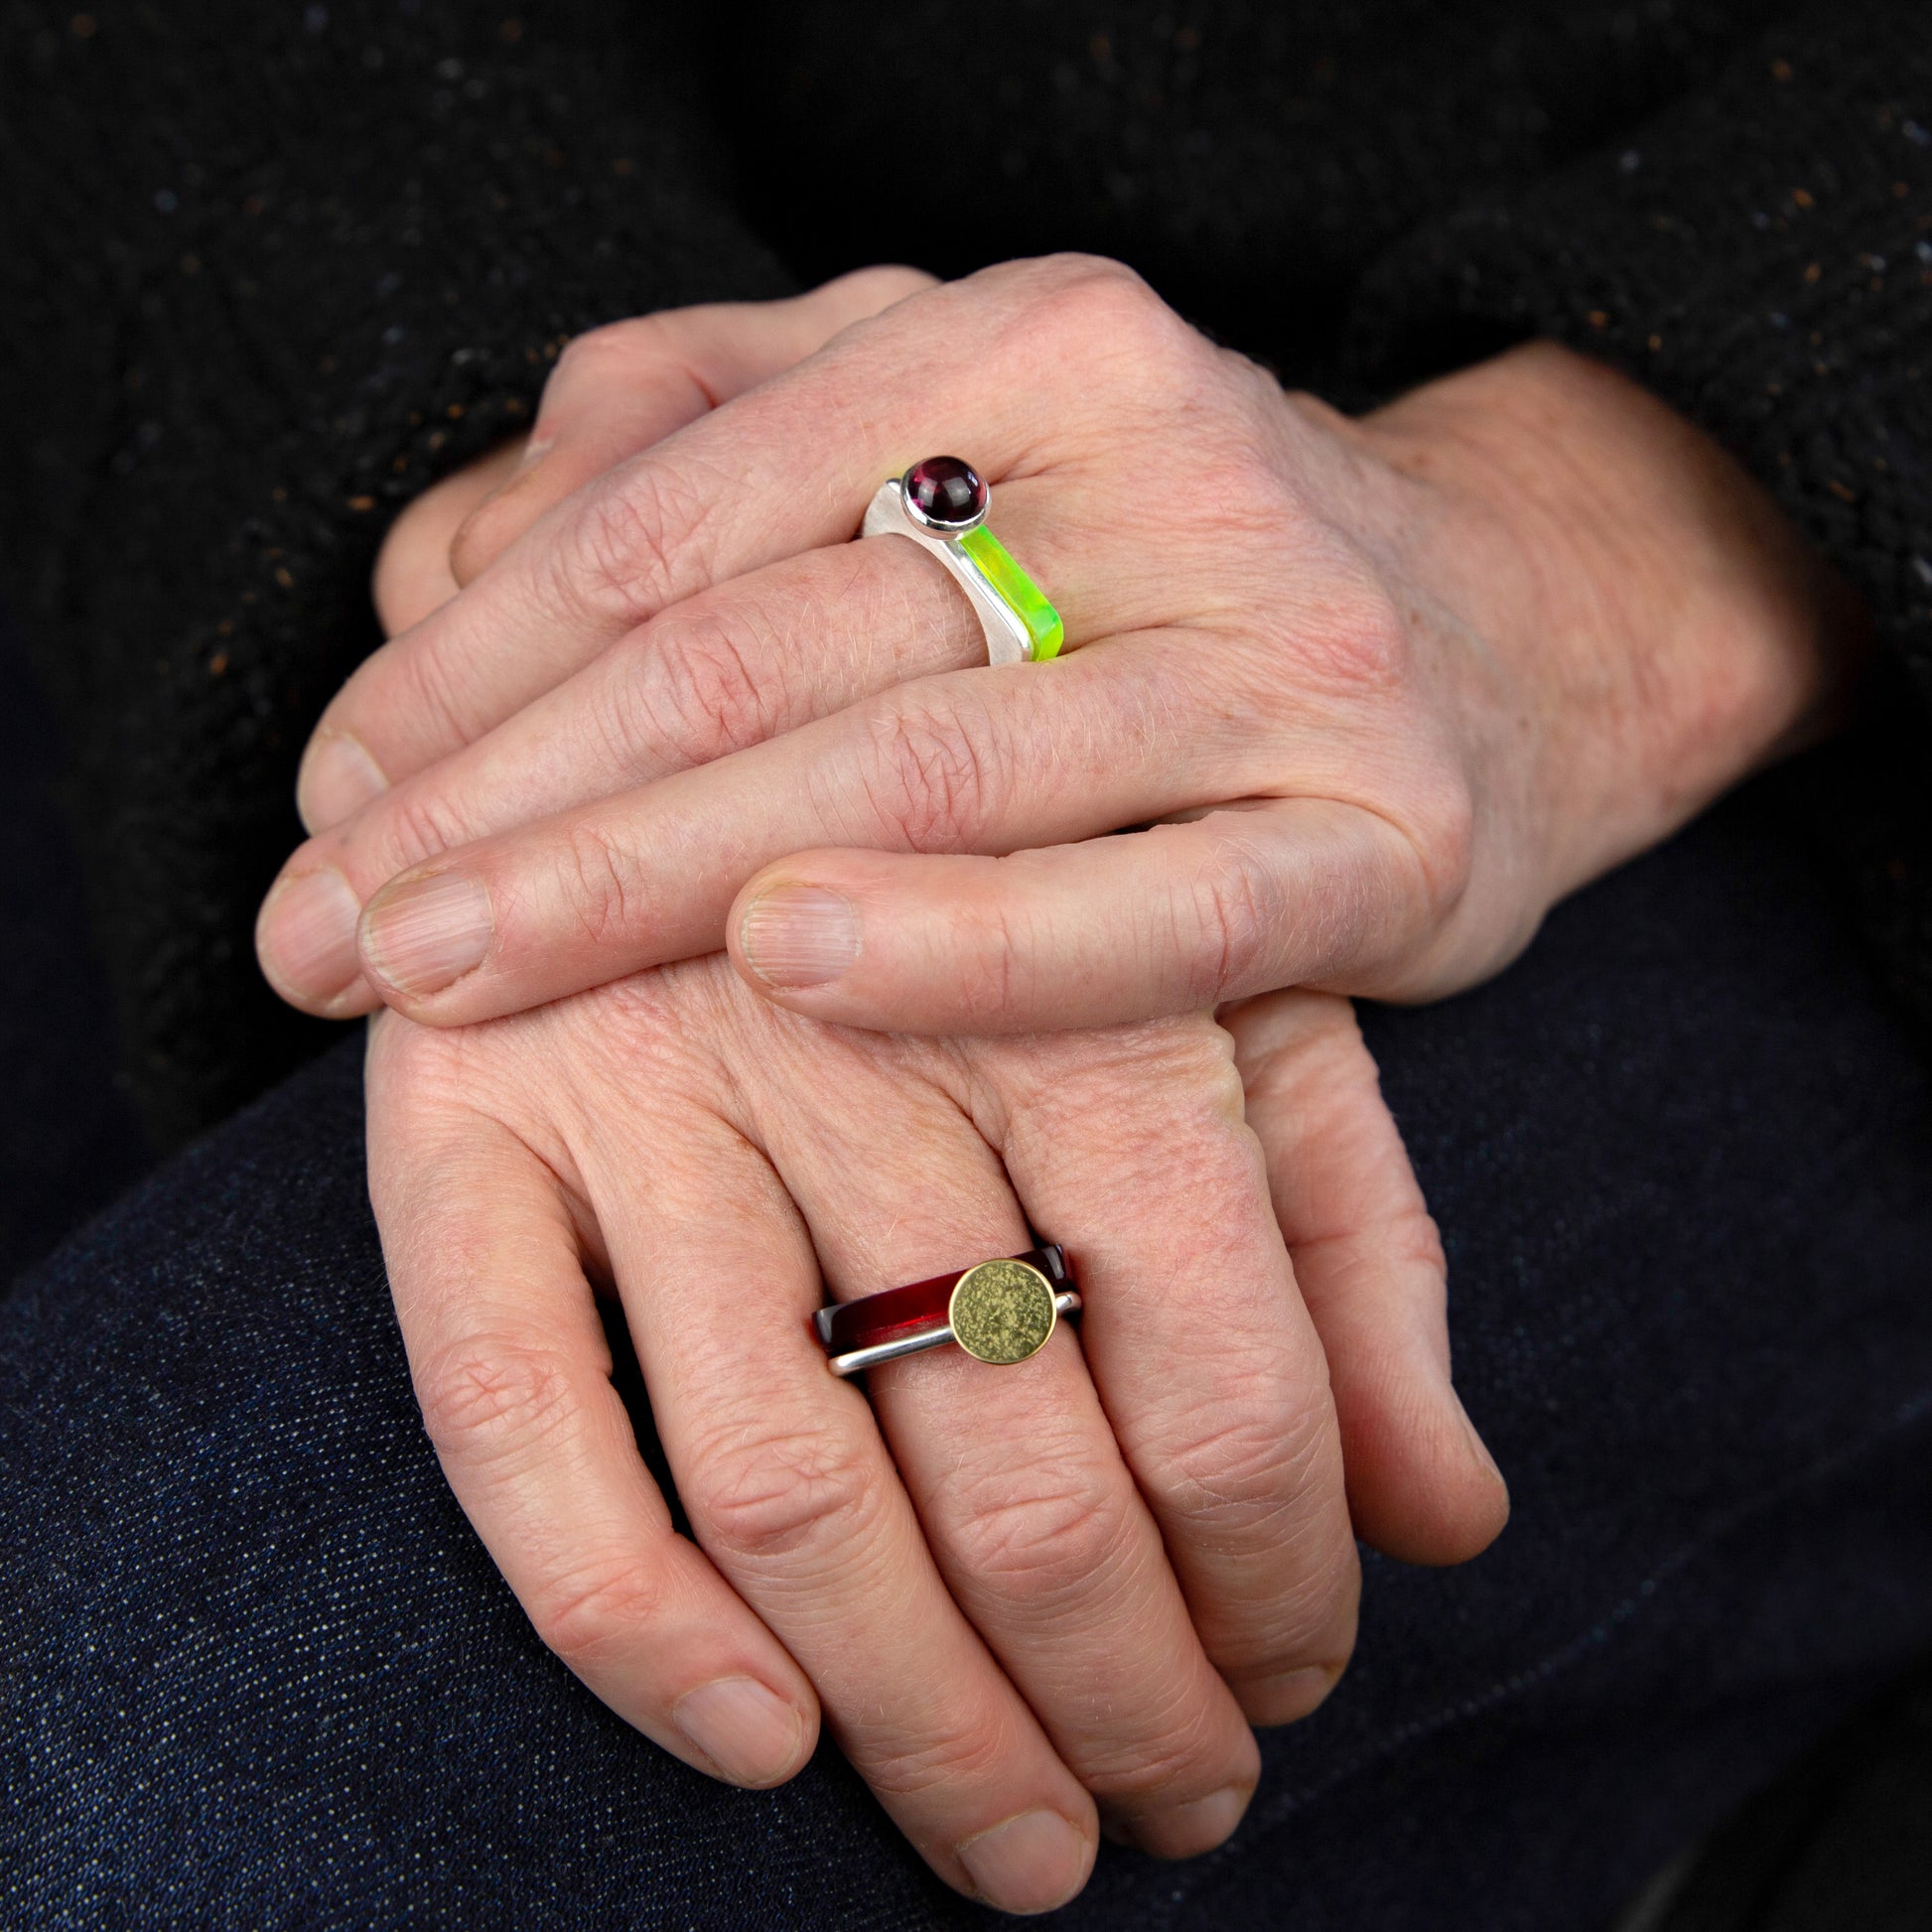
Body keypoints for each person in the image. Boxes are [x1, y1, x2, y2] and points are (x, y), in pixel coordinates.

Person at [3, 5, 1929, 1927]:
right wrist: (565, 527)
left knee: (190, 1769)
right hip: (477, 268)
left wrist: (1588, 547)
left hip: (1767, 577)